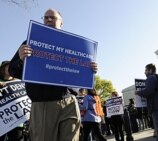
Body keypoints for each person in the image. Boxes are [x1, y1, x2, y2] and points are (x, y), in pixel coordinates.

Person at [8, 8, 98, 141]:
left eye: (52, 17)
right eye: (46, 17)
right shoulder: (30, 42)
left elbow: (84, 81)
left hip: (69, 103)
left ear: (61, 23)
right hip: (43, 104)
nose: (48, 19)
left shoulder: (74, 46)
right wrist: (21, 60)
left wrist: (91, 70)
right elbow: (12, 70)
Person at [0, 61, 24, 141]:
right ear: (3, 69)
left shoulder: (20, 82)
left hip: (17, 121)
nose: (11, 69)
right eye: (8, 67)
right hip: (2, 120)